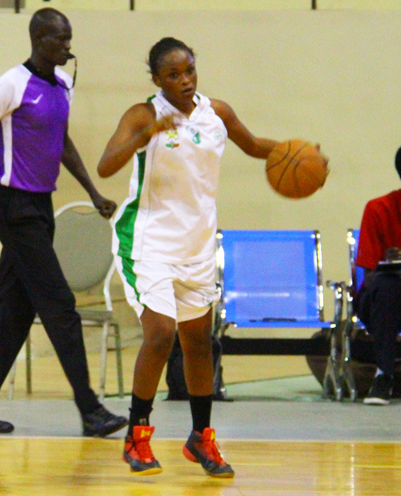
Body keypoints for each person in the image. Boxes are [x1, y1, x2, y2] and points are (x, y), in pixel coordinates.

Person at [97, 37, 327, 477]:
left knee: (199, 343)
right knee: (161, 334)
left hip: (197, 245)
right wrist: (145, 136)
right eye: (173, 75)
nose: (184, 81)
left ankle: (201, 438)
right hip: (148, 243)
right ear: (156, 79)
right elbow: (106, 165)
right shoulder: (142, 115)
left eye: (189, 71)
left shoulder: (216, 112)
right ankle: (137, 435)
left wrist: (302, 156)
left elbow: (257, 145)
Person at [0, 8, 128, 437]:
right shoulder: (11, 84)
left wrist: (92, 192)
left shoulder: (63, 85)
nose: (68, 46)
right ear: (39, 39)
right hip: (12, 207)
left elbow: (60, 141)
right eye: (60, 39)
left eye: (69, 38)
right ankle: (91, 410)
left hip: (39, 209)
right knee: (61, 306)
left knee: (15, 314)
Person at [356, 142, 401, 406]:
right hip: (382, 304)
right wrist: (388, 263)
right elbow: (369, 277)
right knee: (387, 286)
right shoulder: (379, 209)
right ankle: (384, 375)